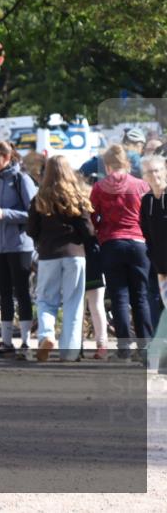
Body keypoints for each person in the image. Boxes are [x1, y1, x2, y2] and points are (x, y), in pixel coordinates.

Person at [26, 156, 95, 362]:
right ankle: (70, 352)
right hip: (75, 255)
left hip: (48, 255)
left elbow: (31, 229)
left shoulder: (39, 198)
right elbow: (87, 229)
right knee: (73, 304)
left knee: (46, 300)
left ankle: (46, 334)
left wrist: (42, 240)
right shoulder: (78, 197)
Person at [90, 144, 153, 360]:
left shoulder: (99, 187)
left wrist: (101, 232)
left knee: (119, 296)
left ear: (107, 165)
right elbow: (148, 215)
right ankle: (144, 347)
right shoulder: (141, 185)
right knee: (141, 297)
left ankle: (124, 347)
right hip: (138, 244)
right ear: (126, 163)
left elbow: (93, 217)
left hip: (111, 244)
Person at [0, 140, 38, 358]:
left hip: (19, 244)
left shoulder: (21, 179)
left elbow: (32, 213)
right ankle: (5, 341)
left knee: (22, 292)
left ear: (7, 157)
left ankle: (25, 341)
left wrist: (5, 214)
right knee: (3, 293)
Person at [140, 154, 167, 333]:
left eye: (157, 170)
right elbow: (147, 235)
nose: (154, 175)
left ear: (164, 171)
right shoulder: (146, 201)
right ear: (144, 176)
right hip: (161, 268)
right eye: (149, 172)